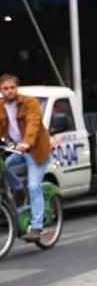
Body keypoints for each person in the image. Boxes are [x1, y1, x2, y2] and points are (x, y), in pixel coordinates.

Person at [0, 74, 52, 242]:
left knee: (34, 186)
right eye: (5, 88)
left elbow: (33, 123)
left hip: (36, 151)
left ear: (17, 87)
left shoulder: (30, 103)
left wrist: (27, 142)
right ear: (1, 90)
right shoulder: (0, 107)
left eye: (12, 87)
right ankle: (17, 189)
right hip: (18, 151)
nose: (9, 91)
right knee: (4, 166)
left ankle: (37, 227)